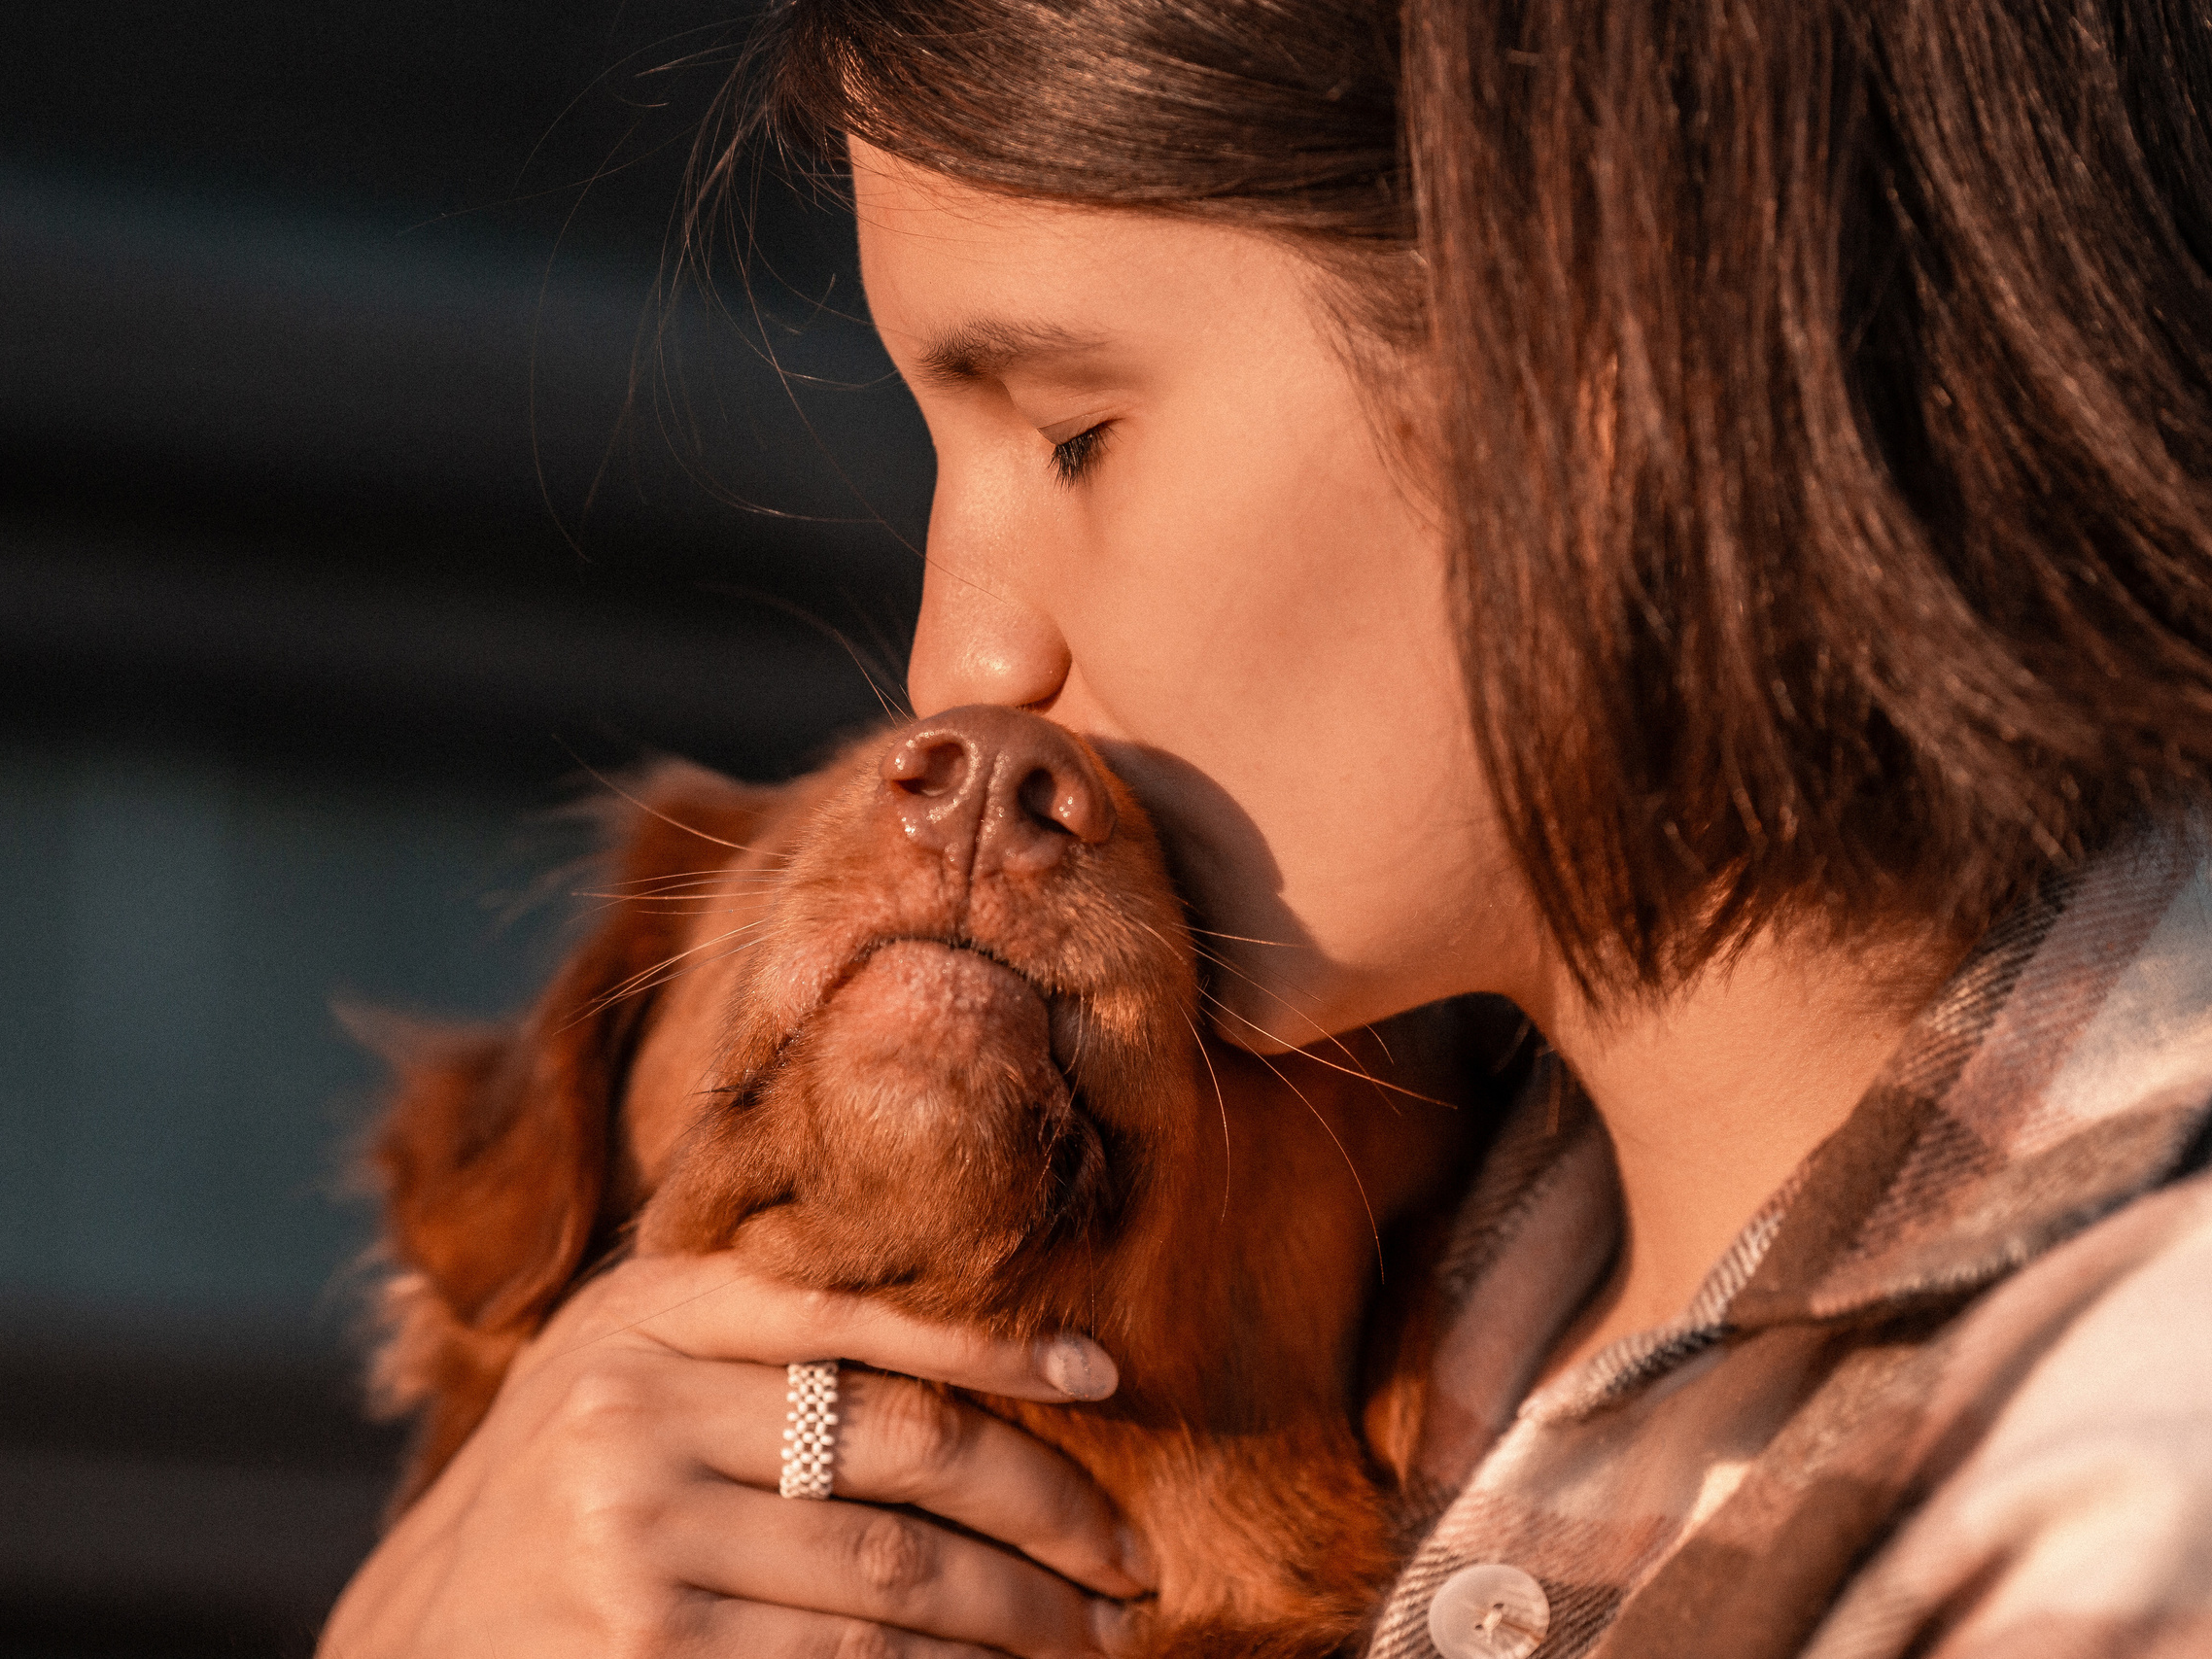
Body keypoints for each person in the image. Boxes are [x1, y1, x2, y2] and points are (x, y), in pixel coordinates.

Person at [322, 1, 2212, 1653]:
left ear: (1607, 343)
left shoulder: (2124, 1467)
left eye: (1071, 432)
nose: (960, 665)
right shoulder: (1493, 1240)